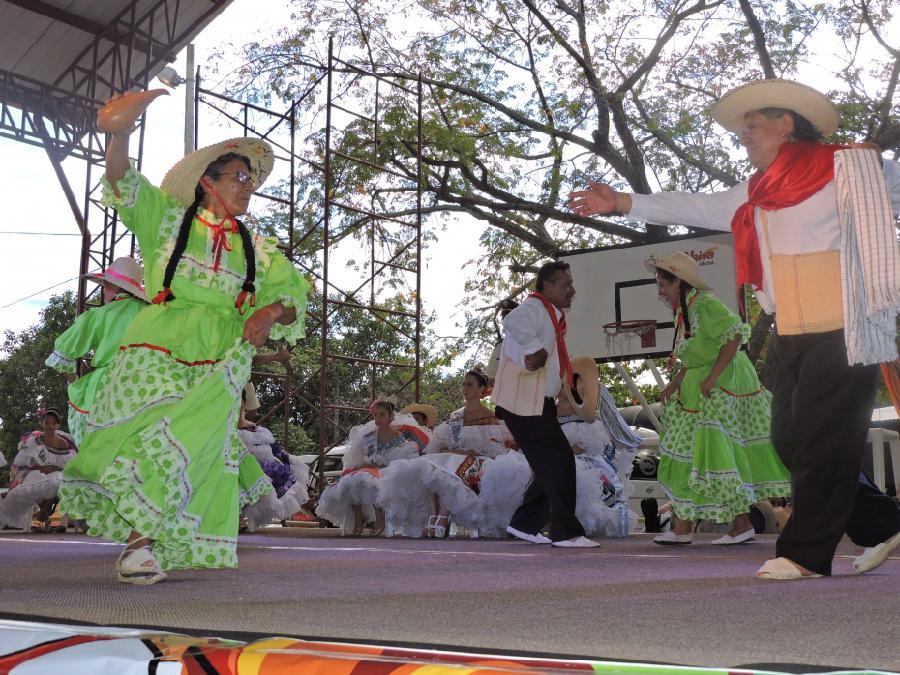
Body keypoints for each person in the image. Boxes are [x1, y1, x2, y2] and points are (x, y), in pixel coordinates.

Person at [568, 78, 900, 578]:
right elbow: (694, 205)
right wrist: (623, 202)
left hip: (845, 331)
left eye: (752, 125)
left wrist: (879, 168)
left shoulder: (846, 167)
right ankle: (884, 523)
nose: (743, 135)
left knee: (820, 443)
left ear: (785, 124)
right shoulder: (754, 193)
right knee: (789, 442)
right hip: (790, 334)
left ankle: (805, 555)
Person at [58, 91, 311, 585]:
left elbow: (294, 299)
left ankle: (141, 545)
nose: (248, 187)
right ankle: (143, 540)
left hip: (222, 358)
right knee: (143, 435)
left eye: (251, 180)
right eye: (239, 177)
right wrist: (119, 133)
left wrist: (270, 311)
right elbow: (122, 181)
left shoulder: (257, 249)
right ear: (207, 182)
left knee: (193, 444)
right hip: (156, 347)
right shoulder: (168, 223)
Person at [644, 252, 791, 545]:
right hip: (699, 384)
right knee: (689, 453)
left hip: (721, 384)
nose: (660, 291)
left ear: (679, 282)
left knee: (718, 453)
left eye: (663, 285)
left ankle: (741, 524)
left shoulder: (705, 304)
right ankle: (683, 526)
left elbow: (734, 336)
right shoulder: (685, 310)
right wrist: (676, 381)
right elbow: (697, 354)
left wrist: (713, 376)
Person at [490, 261, 600, 548]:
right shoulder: (535, 307)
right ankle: (566, 533)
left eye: (571, 284)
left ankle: (525, 524)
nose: (571, 290)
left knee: (550, 462)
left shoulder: (550, 314)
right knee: (559, 459)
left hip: (533, 399)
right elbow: (512, 320)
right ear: (546, 286)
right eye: (565, 284)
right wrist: (533, 349)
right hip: (525, 400)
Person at [382, 370, 528, 538]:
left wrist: (469, 451)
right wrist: (448, 449)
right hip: (452, 456)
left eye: (470, 384)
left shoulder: (490, 418)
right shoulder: (456, 416)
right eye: (464, 384)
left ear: (481, 389)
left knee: (452, 468)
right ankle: (433, 516)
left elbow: (495, 450)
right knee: (426, 465)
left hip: (477, 461)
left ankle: (442, 518)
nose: (465, 388)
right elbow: (441, 443)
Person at [46, 257, 149, 445]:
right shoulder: (153, 313)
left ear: (115, 287)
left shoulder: (98, 316)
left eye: (105, 285)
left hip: (107, 389)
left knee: (102, 447)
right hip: (147, 385)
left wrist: (75, 381)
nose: (103, 290)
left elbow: (63, 354)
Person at [556, 356, 643, 538]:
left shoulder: (582, 410)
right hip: (562, 460)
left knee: (587, 486)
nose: (560, 390)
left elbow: (586, 445)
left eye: (563, 386)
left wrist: (564, 454)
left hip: (582, 463)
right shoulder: (551, 409)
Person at [316, 400, 430, 535]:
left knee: (369, 481)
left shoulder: (398, 437)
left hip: (387, 471)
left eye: (382, 414)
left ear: (390, 416)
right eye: (375, 415)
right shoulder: (369, 437)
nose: (378, 418)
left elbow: (398, 464)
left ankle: (380, 519)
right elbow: (364, 459)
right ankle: (358, 517)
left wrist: (373, 466)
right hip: (370, 470)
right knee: (349, 480)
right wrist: (363, 465)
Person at [237, 391, 310, 525]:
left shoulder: (257, 432)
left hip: (250, 449)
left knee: (271, 473)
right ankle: (237, 517)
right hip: (236, 449)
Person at [0, 409, 76, 531]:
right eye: (47, 422)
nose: (50, 426)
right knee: (31, 483)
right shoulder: (33, 442)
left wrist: (53, 468)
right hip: (37, 472)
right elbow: (24, 464)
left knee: (56, 481)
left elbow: (67, 465)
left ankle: (45, 510)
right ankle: (41, 512)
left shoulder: (62, 443)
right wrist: (41, 467)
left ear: (58, 425)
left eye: (53, 423)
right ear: (42, 424)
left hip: (56, 473)